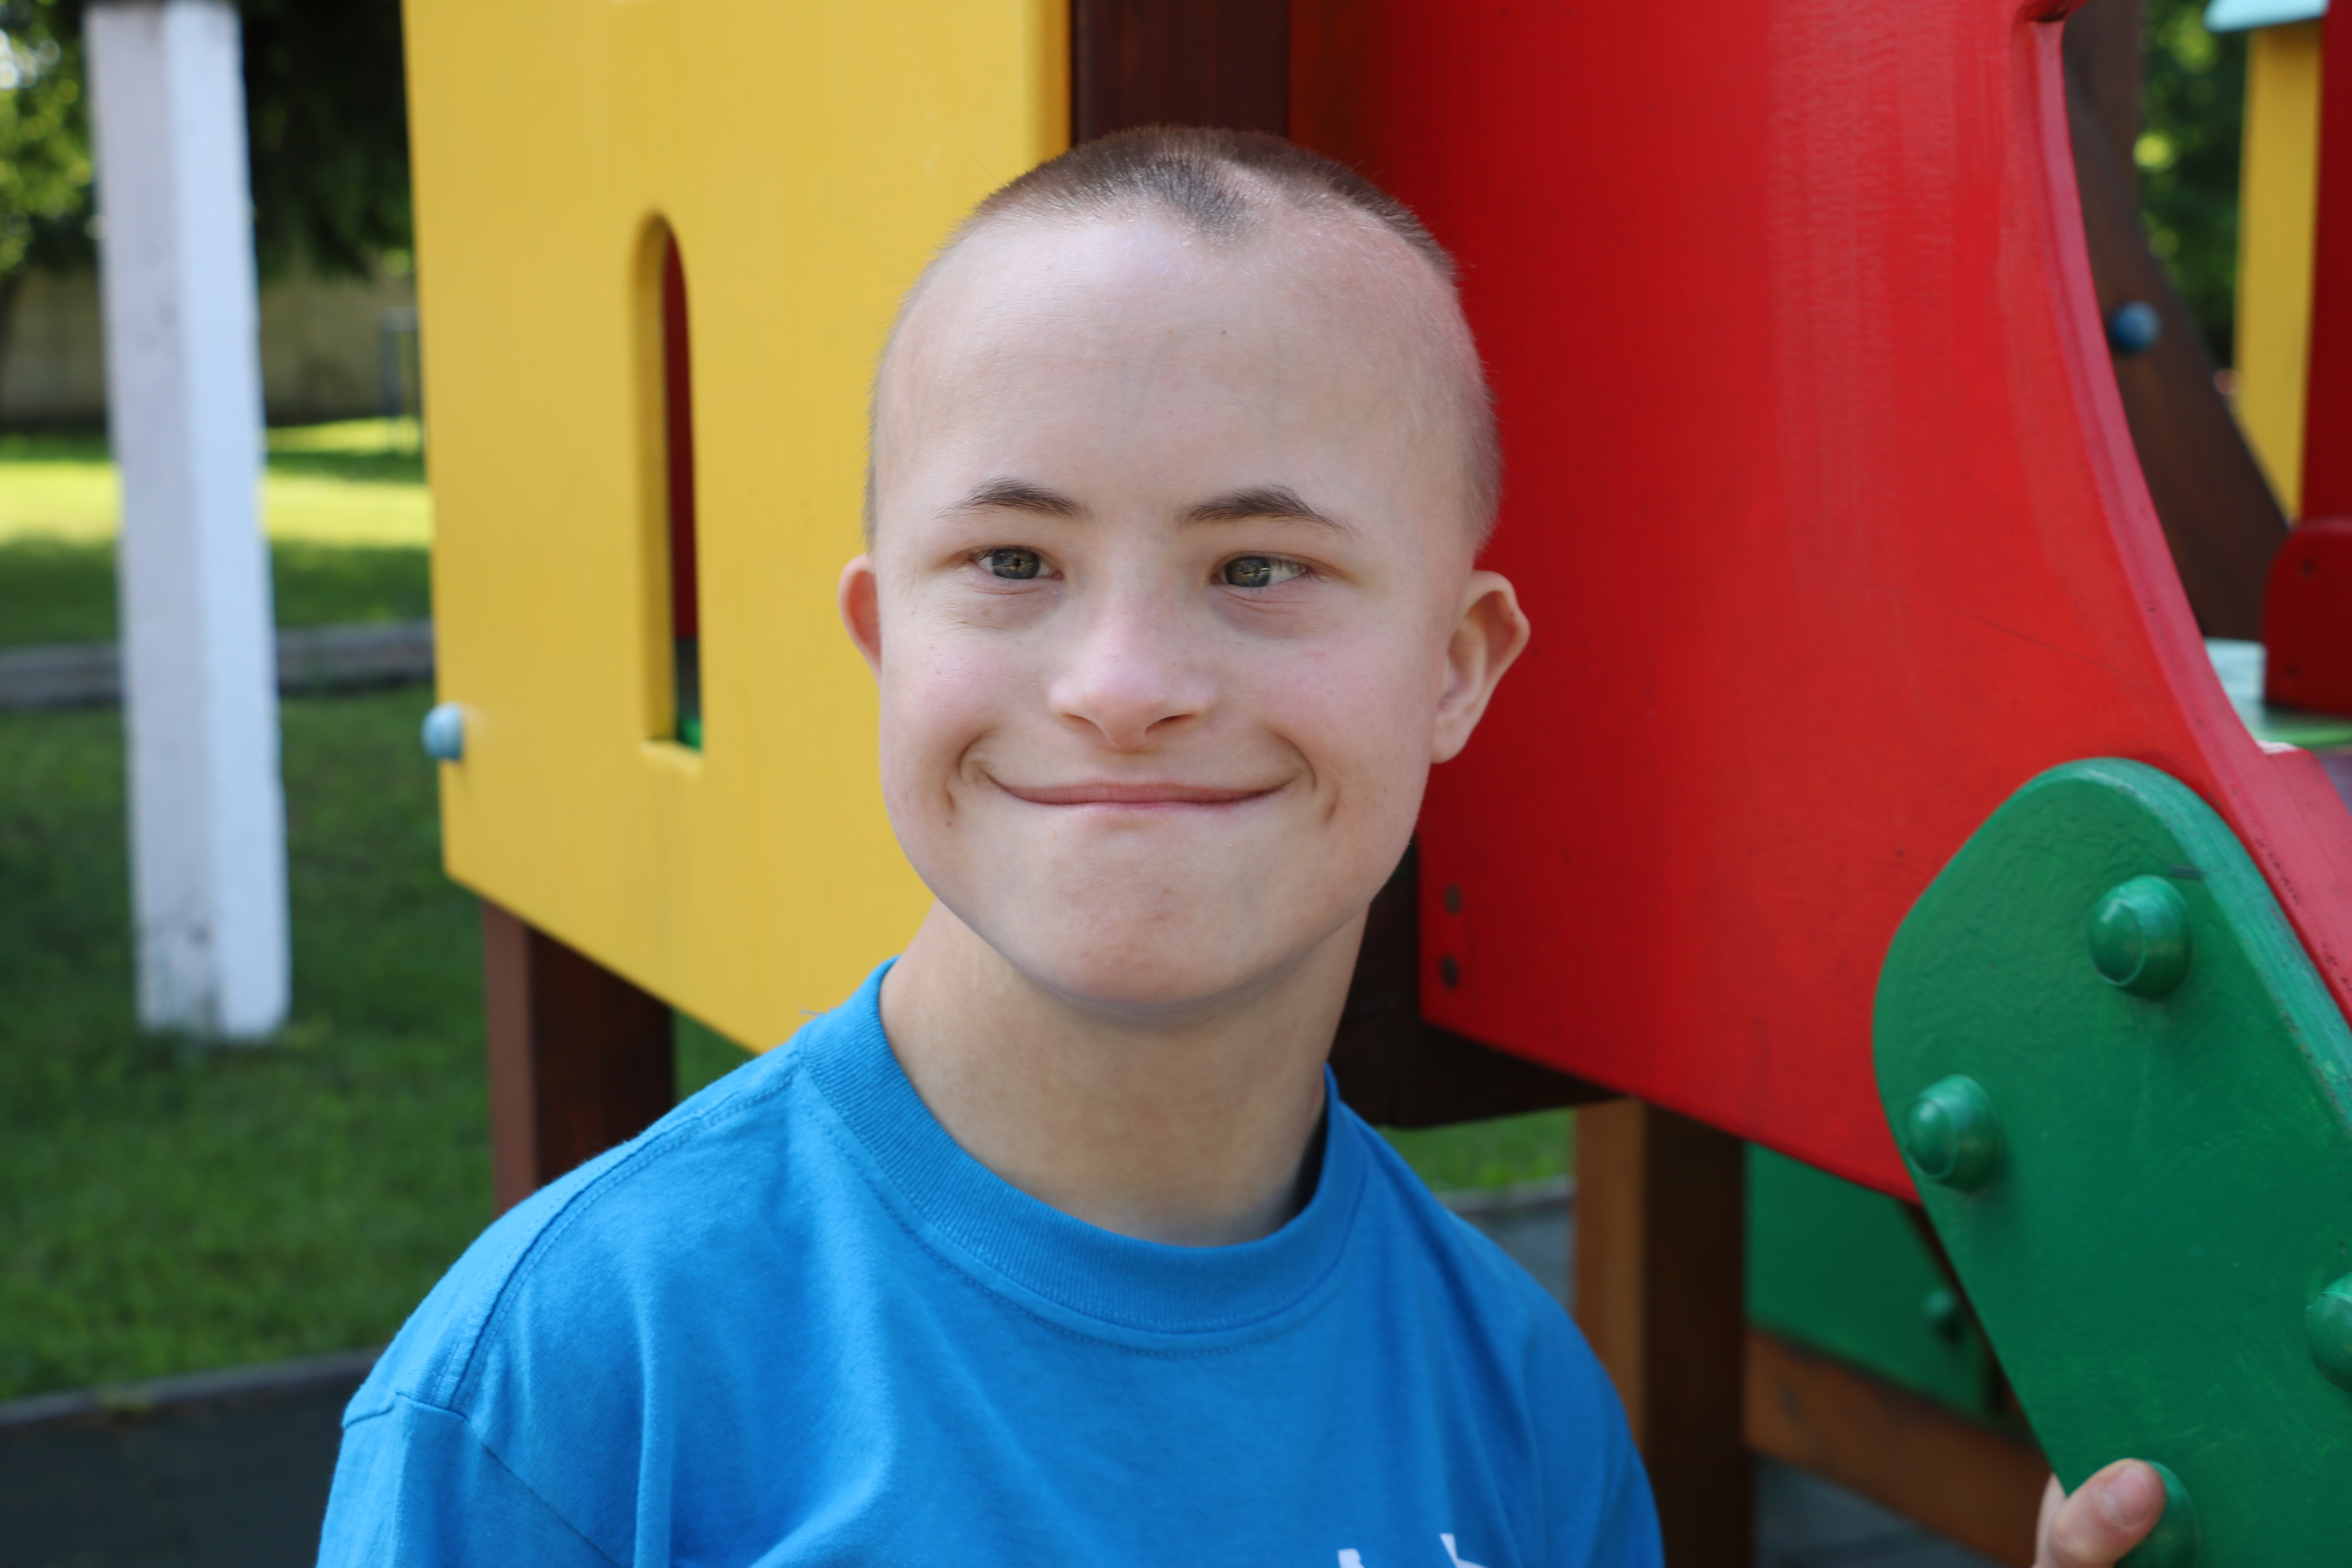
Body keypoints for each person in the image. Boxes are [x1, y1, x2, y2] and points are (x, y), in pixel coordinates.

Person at [317, 128, 2160, 1567]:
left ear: (1457, 667)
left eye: (1259, 567)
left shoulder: (1523, 1414)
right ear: (885, 640)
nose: (1123, 685)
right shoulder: (568, 1397)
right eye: (1015, 561)